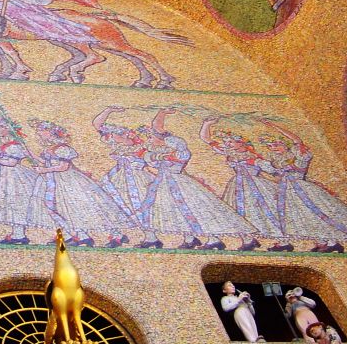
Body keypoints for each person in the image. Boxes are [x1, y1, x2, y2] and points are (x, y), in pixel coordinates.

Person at [256, 120, 347, 254]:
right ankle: (330, 243)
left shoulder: (298, 154)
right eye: (270, 146)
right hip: (288, 192)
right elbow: (277, 176)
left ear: (285, 144)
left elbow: (297, 141)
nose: (273, 148)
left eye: (276, 144)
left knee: (329, 213)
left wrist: (275, 126)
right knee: (308, 217)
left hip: (303, 189)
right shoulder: (277, 161)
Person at [141, 109, 258, 250]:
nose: (151, 140)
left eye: (153, 138)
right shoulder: (159, 153)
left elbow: (163, 143)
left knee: (197, 209)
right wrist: (162, 113)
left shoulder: (180, 153)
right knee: (172, 210)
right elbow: (156, 134)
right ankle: (188, 238)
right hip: (162, 184)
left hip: (178, 183)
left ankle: (215, 239)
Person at [30, 119, 130, 247]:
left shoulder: (62, 148)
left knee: (89, 208)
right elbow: (48, 162)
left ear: (50, 132)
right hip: (55, 181)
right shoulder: (50, 148)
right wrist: (31, 155)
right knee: (66, 210)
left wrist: (44, 170)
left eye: (41, 130)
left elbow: (64, 166)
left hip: (67, 181)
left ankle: (118, 235)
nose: (38, 133)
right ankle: (82, 237)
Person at [0, 116, 52, 245]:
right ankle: (17, 234)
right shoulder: (2, 145)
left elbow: (11, 163)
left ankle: (19, 234)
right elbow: (0, 160)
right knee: (6, 203)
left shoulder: (15, 146)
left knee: (15, 202)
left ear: (7, 128)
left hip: (13, 176)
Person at [200, 119, 276, 252]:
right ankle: (244, 240)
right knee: (231, 211)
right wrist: (207, 124)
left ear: (241, 142)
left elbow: (274, 170)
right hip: (236, 185)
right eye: (227, 142)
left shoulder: (254, 157)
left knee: (253, 212)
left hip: (253, 186)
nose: (227, 144)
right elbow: (206, 139)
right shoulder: (231, 152)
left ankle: (256, 240)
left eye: (230, 142)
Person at [94, 106, 153, 248]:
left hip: (137, 179)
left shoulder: (140, 147)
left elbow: (151, 162)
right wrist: (108, 110)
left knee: (139, 205)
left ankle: (151, 238)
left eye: (115, 134)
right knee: (106, 203)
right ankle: (117, 236)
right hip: (116, 177)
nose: (110, 136)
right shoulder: (114, 141)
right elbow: (97, 125)